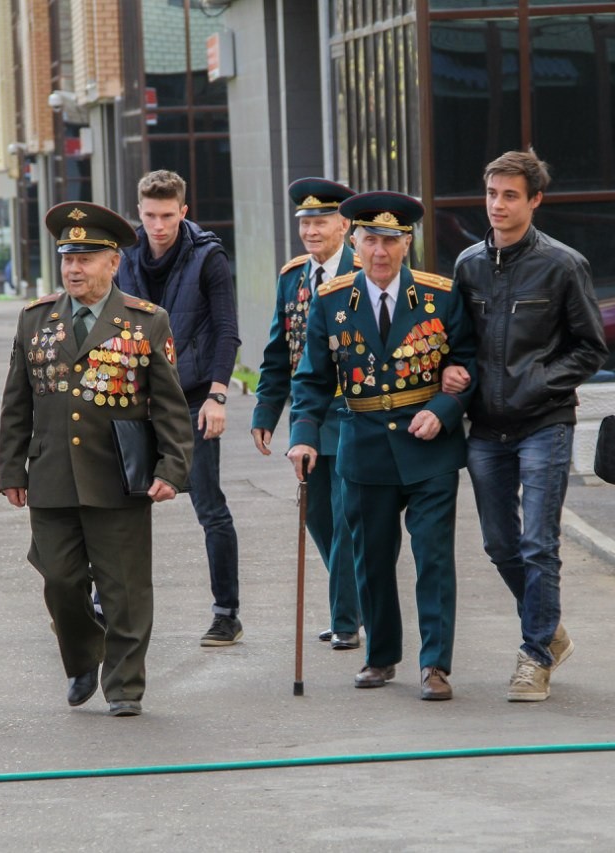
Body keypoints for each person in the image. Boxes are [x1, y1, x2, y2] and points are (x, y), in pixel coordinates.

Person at [0, 201, 194, 718]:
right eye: (68, 258)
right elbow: (17, 401)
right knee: (60, 579)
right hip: (52, 473)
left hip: (118, 475)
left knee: (124, 586)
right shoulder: (36, 320)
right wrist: (11, 469)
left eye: (86, 258)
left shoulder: (146, 322)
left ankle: (125, 685)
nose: (74, 268)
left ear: (113, 263)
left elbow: (171, 405)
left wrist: (172, 468)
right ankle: (84, 654)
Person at [287, 191, 476, 700]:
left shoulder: (440, 296)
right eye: (370, 239)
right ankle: (381, 656)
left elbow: (469, 363)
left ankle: (435, 665)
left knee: (433, 556)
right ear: (354, 241)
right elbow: (310, 380)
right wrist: (302, 437)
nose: (380, 251)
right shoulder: (332, 301)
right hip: (364, 444)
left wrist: (442, 410)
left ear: (407, 242)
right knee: (370, 557)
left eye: (391, 240)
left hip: (430, 448)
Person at [445, 148, 607, 702]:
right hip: (486, 428)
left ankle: (534, 654)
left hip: (545, 422)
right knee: (498, 543)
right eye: (491, 194)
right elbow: (457, 344)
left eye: (511, 195)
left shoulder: (563, 265)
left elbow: (591, 348)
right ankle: (551, 629)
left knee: (539, 542)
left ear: (535, 200)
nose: (498, 205)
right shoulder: (467, 266)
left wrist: (538, 383)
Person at [116, 170, 244, 647]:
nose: (158, 226)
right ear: (140, 211)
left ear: (183, 212)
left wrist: (217, 395)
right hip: (135, 399)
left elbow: (227, 330)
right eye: (149, 216)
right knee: (118, 504)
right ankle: (107, 603)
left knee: (210, 507)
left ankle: (226, 613)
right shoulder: (124, 254)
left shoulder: (208, 257)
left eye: (168, 216)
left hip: (192, 398)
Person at [251, 177, 361, 649]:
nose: (312, 232)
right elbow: (280, 351)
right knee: (317, 515)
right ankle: (352, 607)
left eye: (321, 223)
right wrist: (264, 413)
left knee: (345, 514)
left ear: (344, 225)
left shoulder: (367, 269)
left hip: (355, 412)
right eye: (305, 224)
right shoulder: (293, 277)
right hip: (309, 416)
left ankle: (345, 620)